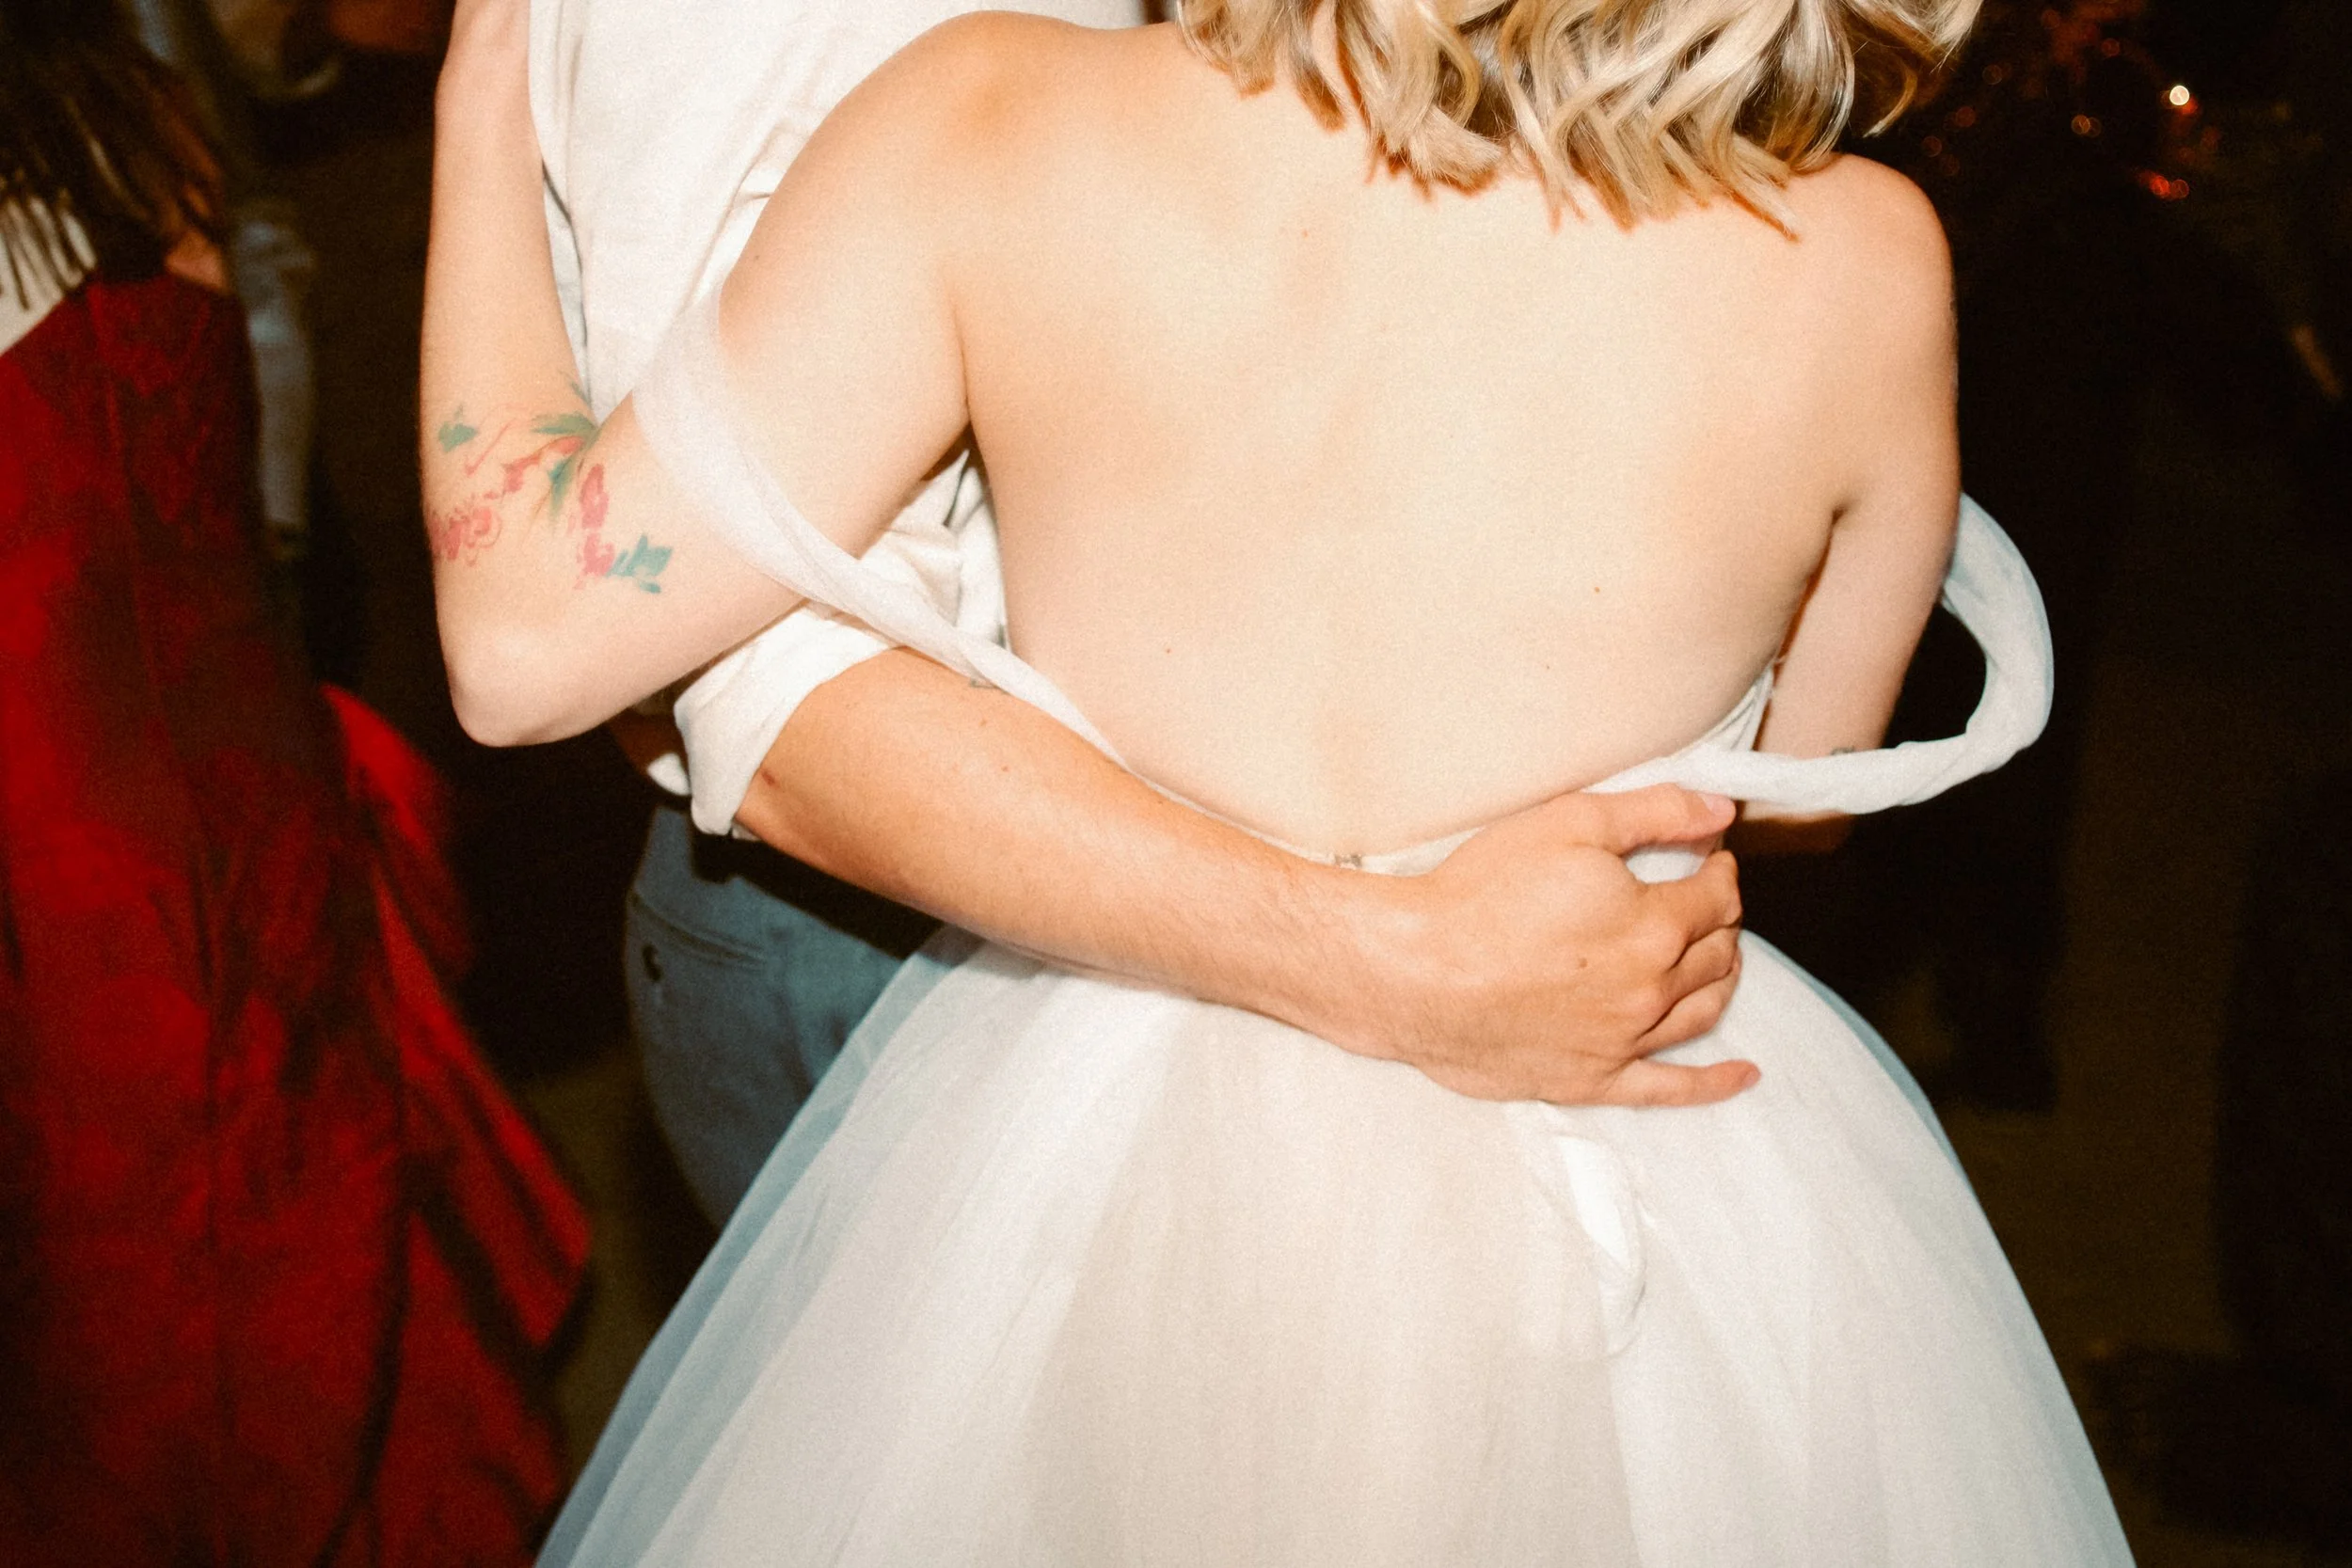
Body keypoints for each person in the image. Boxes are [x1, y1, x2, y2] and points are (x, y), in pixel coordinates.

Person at [429, 0, 2135, 1560]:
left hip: (1084, 1107)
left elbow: (521, 646)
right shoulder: (1867, 255)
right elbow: (1804, 799)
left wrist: (487, 100)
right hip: (1613, 1123)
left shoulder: (983, 113)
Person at [532, 0, 1756, 1225]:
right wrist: (1387, 954)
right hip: (878, 904)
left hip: (1299, 879)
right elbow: (651, 650)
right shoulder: (799, 46)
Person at [0, 5, 587, 1562]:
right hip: (243, 814)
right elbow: (238, 362)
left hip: (73, 918)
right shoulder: (131, 121)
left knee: (134, 1356)